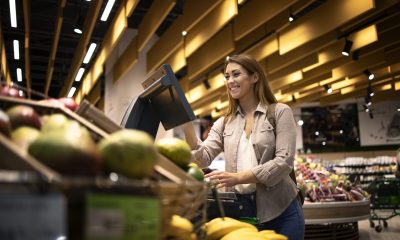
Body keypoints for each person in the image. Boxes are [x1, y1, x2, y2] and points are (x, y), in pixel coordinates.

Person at [183, 54, 305, 239]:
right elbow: (203, 157)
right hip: (242, 212)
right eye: (227, 76)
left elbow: (284, 161)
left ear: (255, 77)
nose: (230, 81)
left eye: (236, 74)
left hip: (282, 210)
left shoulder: (279, 112)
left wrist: (238, 177)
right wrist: (186, 124)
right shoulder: (225, 122)